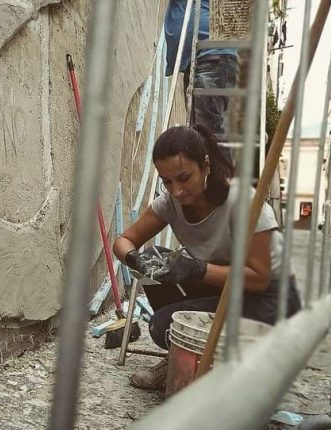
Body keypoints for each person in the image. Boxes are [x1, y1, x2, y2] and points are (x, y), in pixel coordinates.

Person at [112, 125, 301, 390]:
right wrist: (135, 260)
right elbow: (123, 242)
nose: (177, 190)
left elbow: (259, 279)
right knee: (155, 258)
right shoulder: (170, 203)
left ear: (206, 165)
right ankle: (186, 359)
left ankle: (213, 364)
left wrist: (196, 269)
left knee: (164, 326)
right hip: (225, 287)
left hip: (271, 299)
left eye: (184, 177)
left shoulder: (243, 202)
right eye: (167, 181)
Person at [165, 0, 238, 161]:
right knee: (201, 136)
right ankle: (216, 181)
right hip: (207, 61)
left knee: (207, 138)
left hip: (212, 58)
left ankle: (220, 183)